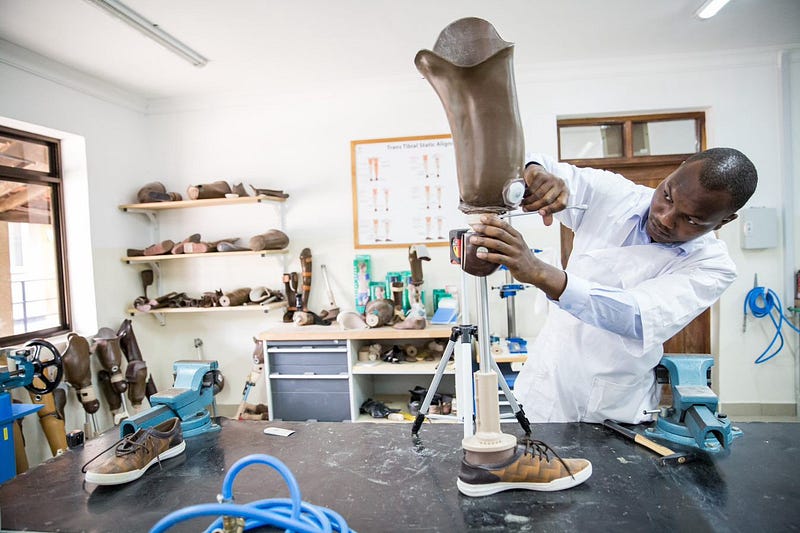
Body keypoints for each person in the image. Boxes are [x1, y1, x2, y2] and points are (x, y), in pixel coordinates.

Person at [468, 148, 758, 424]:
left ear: (724, 221)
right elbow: (532, 160)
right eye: (667, 196)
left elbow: (635, 316)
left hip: (610, 410)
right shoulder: (615, 195)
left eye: (691, 219)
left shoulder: (712, 266)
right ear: (676, 172)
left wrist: (539, 272)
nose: (664, 218)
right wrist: (537, 175)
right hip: (544, 384)